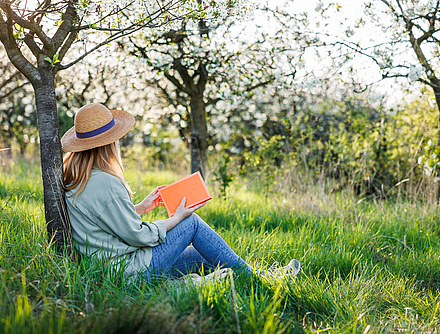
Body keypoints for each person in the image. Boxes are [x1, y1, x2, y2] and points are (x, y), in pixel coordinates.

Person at [61, 103, 300, 281]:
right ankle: (261, 279)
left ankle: (254, 275)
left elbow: (103, 219)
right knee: (192, 223)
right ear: (110, 142)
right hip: (131, 272)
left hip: (112, 269)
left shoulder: (77, 179)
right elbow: (137, 235)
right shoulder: (106, 182)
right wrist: (175, 219)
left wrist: (141, 207)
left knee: (201, 254)